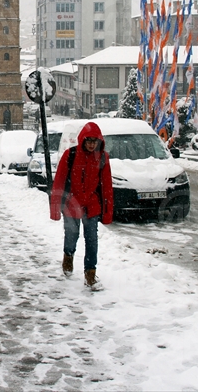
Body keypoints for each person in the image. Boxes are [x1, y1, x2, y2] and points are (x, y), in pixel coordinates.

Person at [49, 122, 113, 290]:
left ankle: (90, 274)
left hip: (92, 206)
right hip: (72, 205)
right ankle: (68, 256)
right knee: (72, 235)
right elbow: (59, 183)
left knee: (92, 240)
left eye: (95, 141)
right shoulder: (70, 155)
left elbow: (106, 187)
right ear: (83, 140)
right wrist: (55, 208)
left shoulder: (102, 158)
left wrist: (107, 212)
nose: (92, 144)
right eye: (89, 141)